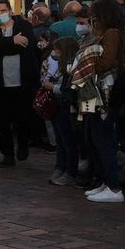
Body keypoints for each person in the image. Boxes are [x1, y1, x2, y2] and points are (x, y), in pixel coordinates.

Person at [71, 0, 125, 203]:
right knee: (94, 137)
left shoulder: (111, 34)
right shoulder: (100, 35)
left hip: (104, 92)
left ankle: (113, 186)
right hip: (96, 91)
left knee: (102, 139)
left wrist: (88, 61)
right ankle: (105, 182)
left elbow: (105, 62)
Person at [0, 0, 39, 167]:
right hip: (0, 83)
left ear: (10, 10)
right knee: (2, 121)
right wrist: (11, 41)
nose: (0, 15)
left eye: (3, 11)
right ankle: (7, 154)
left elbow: (25, 45)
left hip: (22, 81)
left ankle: (23, 144)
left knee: (23, 118)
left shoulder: (24, 27)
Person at [46, 36, 80, 186]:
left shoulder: (71, 67)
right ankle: (60, 167)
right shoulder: (60, 66)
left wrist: (52, 87)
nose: (55, 53)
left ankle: (69, 170)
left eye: (58, 50)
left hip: (66, 105)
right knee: (61, 139)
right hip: (58, 105)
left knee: (68, 140)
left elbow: (68, 89)